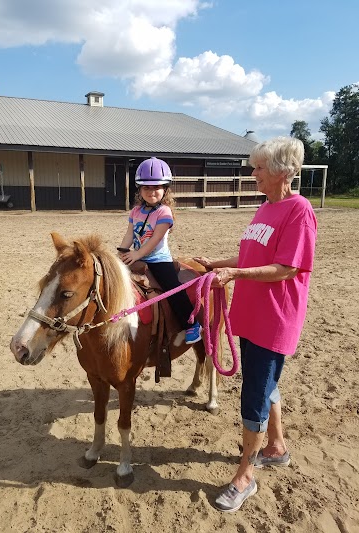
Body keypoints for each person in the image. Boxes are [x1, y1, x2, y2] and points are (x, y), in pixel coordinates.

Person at [194, 137, 317, 512]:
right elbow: (251, 255)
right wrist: (217, 264)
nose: (253, 174)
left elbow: (287, 267)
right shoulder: (265, 209)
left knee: (254, 396)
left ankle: (244, 477)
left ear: (282, 171)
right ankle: (276, 447)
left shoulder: (299, 211)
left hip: (274, 320)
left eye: (259, 168)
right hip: (251, 315)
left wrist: (235, 272)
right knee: (266, 385)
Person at [118, 156, 201, 344]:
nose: (151, 191)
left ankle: (191, 324)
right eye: (146, 187)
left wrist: (137, 254)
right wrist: (123, 251)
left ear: (165, 189)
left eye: (156, 187)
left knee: (173, 289)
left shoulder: (164, 212)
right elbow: (130, 234)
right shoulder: (135, 211)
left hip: (158, 260)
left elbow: (155, 240)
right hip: (138, 257)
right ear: (139, 189)